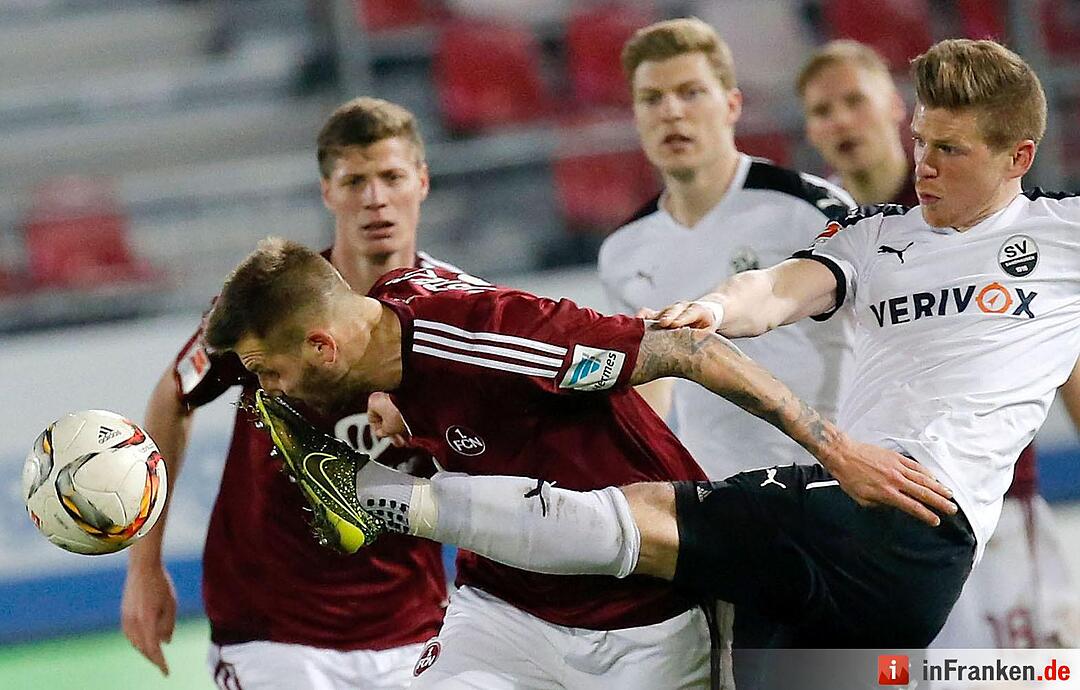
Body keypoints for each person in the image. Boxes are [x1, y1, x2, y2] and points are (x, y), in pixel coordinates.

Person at [120, 97, 454, 689]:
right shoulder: (268, 304)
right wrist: (144, 568)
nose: (375, 198)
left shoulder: (461, 312)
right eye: (355, 181)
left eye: (392, 177)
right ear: (328, 192)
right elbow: (174, 397)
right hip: (269, 631)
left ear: (422, 182)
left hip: (416, 629)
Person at [797, 39, 1080, 650]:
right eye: (822, 110)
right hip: (869, 502)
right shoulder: (823, 229)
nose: (841, 120)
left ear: (897, 109)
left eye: (855, 100)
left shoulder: (978, 195)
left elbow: (1064, 347)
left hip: (993, 507)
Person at [598, 18, 856, 478]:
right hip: (720, 497)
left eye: (691, 92)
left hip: (830, 482)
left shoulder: (808, 207)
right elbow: (650, 394)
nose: (671, 112)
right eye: (652, 98)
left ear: (732, 104)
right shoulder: (622, 251)